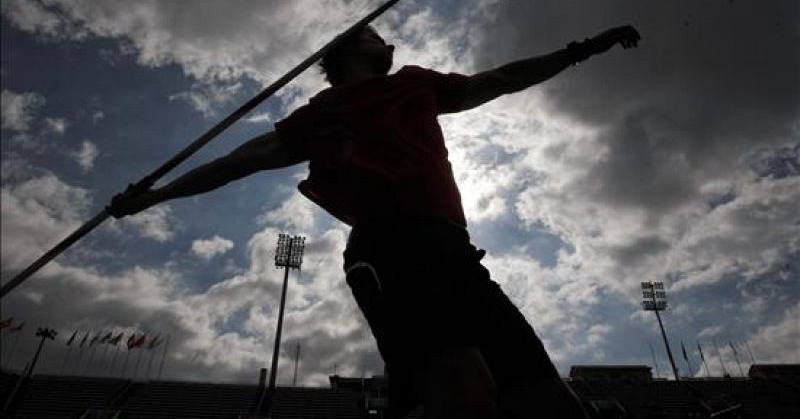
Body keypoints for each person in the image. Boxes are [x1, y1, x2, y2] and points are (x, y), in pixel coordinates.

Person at [109, 22, 640, 418]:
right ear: (350, 51)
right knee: (463, 389)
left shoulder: (414, 84)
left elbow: (502, 78)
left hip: (456, 252)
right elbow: (237, 162)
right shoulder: (318, 115)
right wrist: (156, 196)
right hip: (391, 249)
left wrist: (580, 50)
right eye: (376, 35)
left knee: (547, 399)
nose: (390, 43)